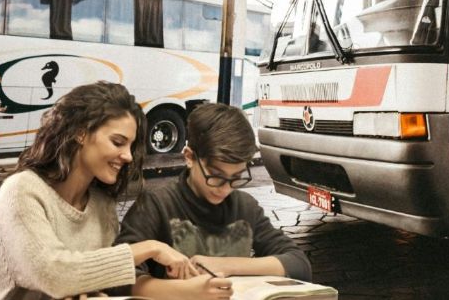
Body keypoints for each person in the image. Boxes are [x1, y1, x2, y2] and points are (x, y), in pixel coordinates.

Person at [0, 81, 200, 300]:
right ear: (80, 133)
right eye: (117, 142)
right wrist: (151, 248)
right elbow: (54, 275)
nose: (128, 156)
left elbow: (96, 280)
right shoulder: (21, 190)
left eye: (130, 146)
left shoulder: (102, 205)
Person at [115, 103, 311, 299]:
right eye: (216, 176)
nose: (225, 189)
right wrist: (186, 292)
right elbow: (117, 278)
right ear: (190, 157)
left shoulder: (245, 206)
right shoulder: (156, 204)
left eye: (236, 178)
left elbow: (298, 264)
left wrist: (223, 265)